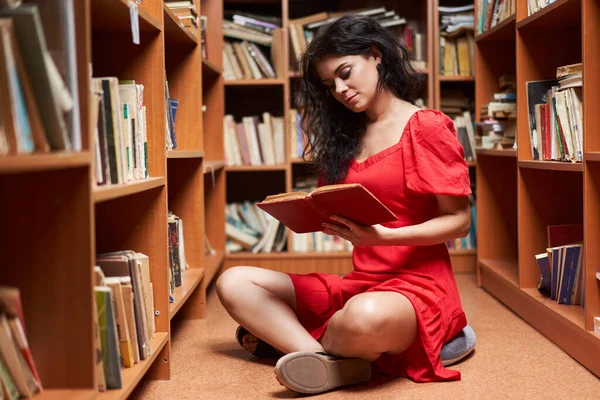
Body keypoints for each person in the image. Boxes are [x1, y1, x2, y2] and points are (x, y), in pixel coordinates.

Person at [216, 14, 476, 395]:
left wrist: (385, 239)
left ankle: (297, 343)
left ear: (375, 56)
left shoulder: (426, 126)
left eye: (345, 72)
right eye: (328, 84)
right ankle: (324, 360)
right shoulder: (345, 135)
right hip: (360, 284)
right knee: (234, 281)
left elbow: (458, 222)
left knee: (359, 319)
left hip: (417, 286)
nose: (339, 89)